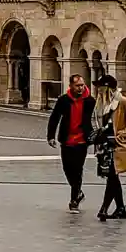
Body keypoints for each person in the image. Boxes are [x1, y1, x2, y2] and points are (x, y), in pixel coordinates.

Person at [91, 74, 126, 221]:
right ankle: (120, 208)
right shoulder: (100, 103)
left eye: (100, 87)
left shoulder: (122, 102)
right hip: (104, 146)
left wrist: (124, 133)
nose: (98, 90)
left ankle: (104, 209)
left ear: (108, 88)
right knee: (113, 177)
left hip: (117, 145)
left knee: (112, 176)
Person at [47, 73, 95, 212]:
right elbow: (54, 117)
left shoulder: (90, 101)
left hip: (81, 141)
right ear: (71, 86)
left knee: (77, 169)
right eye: (77, 85)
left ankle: (74, 199)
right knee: (67, 169)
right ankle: (78, 192)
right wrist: (51, 136)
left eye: (82, 85)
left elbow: (98, 118)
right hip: (67, 140)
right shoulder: (64, 100)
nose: (80, 88)